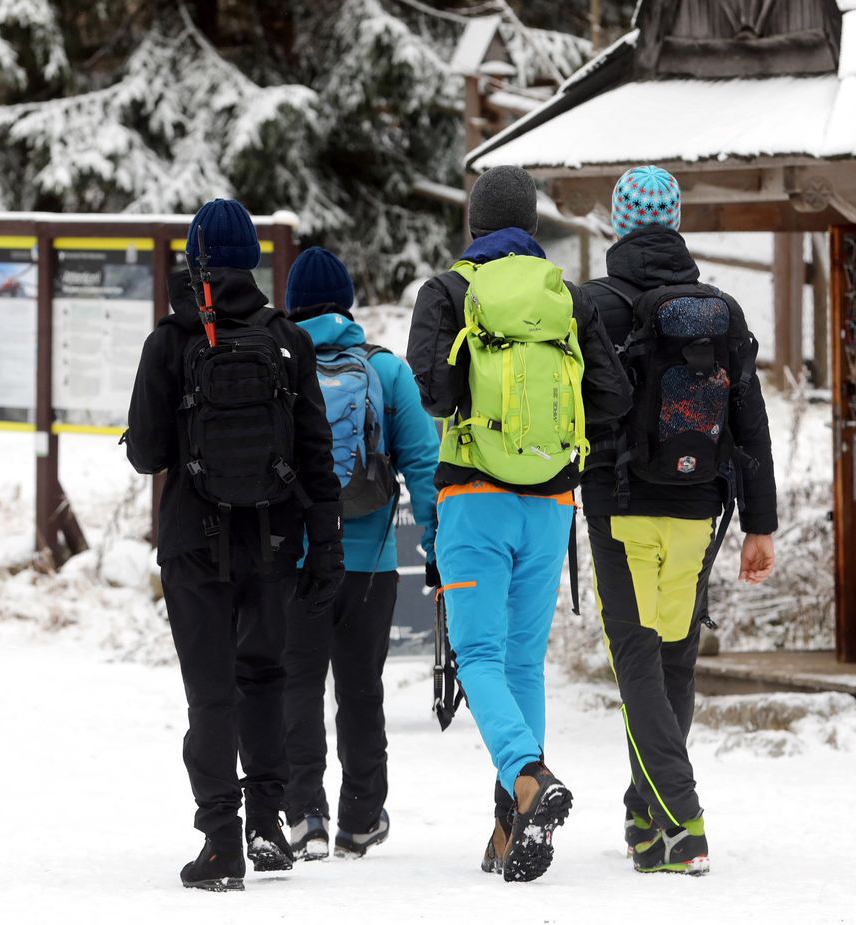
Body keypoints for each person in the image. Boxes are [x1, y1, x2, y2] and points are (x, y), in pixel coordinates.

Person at [408, 166, 631, 882]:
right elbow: (613, 396)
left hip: (474, 498)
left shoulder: (447, 292)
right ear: (532, 226)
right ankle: (511, 825)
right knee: (521, 661)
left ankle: (526, 777)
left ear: (473, 223)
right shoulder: (566, 298)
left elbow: (434, 394)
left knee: (476, 655)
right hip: (551, 505)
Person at [125, 199, 345, 892]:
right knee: (264, 677)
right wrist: (326, 544)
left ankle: (221, 843)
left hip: (193, 540)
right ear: (253, 257)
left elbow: (147, 454)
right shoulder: (287, 338)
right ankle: (268, 823)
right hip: (273, 538)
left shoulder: (170, 339)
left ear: (194, 260)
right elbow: (316, 453)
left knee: (210, 692)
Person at [580, 165, 777, 875]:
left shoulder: (593, 305)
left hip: (620, 506)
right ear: (676, 220)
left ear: (616, 222)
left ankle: (682, 819)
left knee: (635, 657)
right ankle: (646, 816)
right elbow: (750, 422)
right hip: (700, 508)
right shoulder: (718, 310)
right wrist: (762, 524)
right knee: (673, 658)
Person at [280, 247, 440, 861]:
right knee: (361, 690)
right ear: (346, 304)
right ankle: (362, 817)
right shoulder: (385, 370)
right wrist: (434, 543)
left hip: (297, 561)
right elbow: (423, 463)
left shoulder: (280, 361)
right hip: (369, 564)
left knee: (297, 686)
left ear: (293, 305)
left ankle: (304, 816)